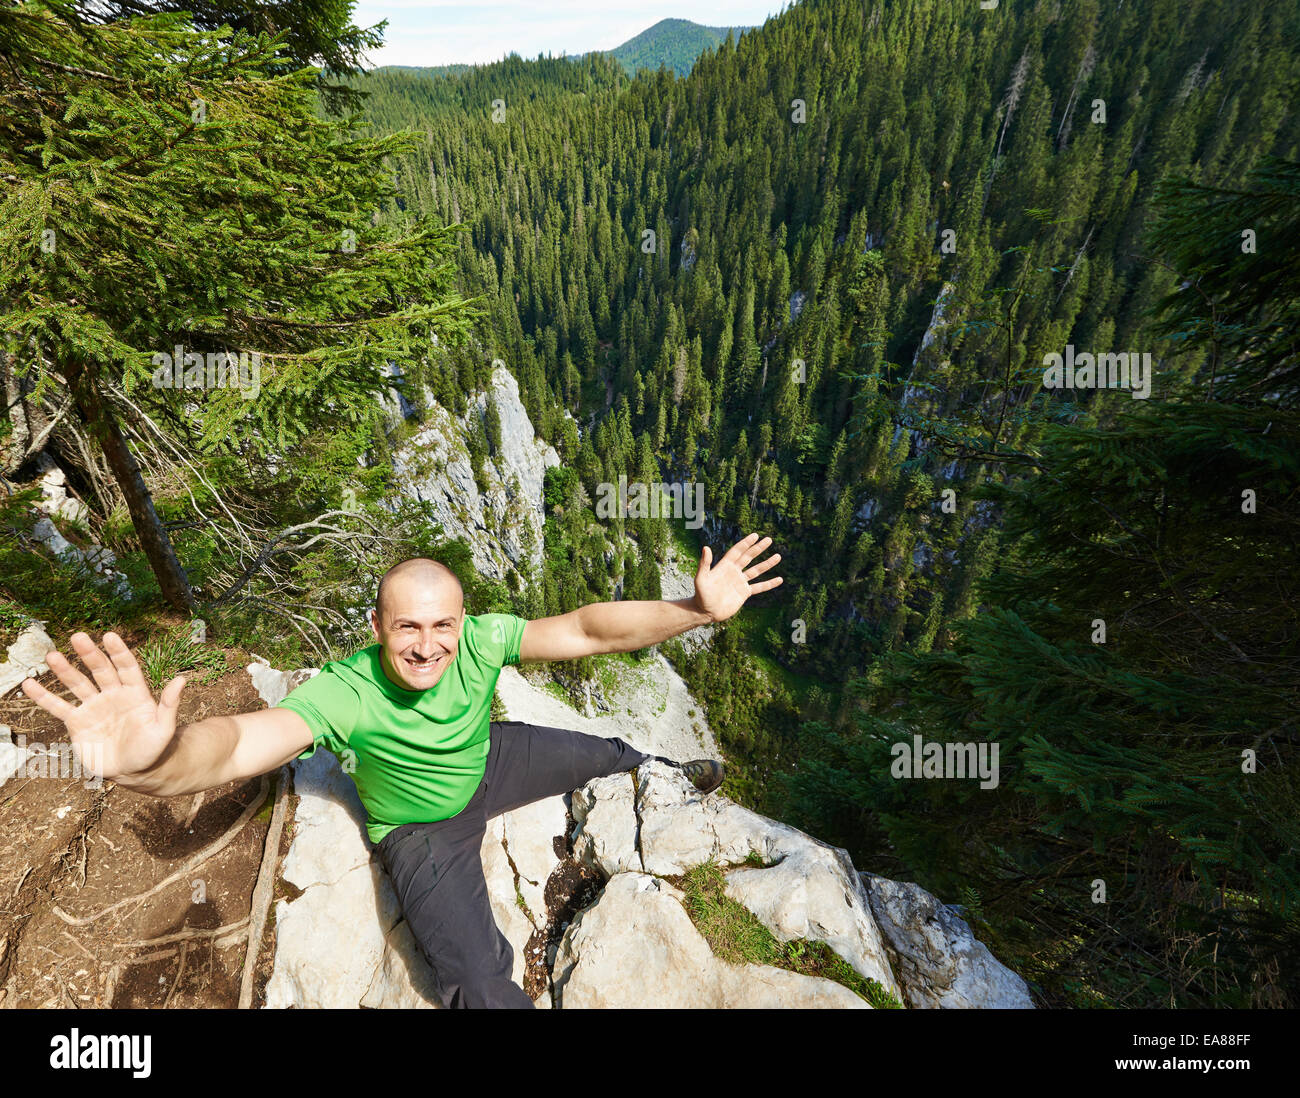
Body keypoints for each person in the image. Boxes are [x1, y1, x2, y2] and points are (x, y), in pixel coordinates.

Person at [20, 532, 783, 1008]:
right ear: (377, 626)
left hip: (490, 761)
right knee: (482, 984)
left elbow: (587, 629)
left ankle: (675, 775)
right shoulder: (346, 690)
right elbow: (238, 743)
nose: (426, 645)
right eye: (407, 627)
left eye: (441, 625)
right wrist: (154, 761)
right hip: (420, 832)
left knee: (614, 756)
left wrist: (694, 608)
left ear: (462, 621)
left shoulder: (484, 641)